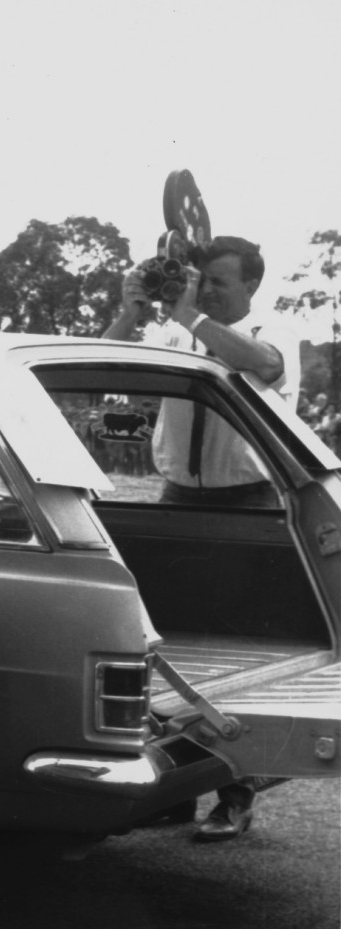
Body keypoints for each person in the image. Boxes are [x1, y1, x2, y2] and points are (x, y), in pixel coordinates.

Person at [104, 235, 302, 842]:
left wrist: (190, 313)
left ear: (251, 287)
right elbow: (106, 369)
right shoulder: (176, 332)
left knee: (231, 652)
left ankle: (235, 794)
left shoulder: (276, 330)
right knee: (164, 647)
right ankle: (171, 791)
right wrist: (132, 313)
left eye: (217, 281)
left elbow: (261, 364)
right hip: (177, 498)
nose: (205, 290)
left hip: (248, 503)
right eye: (199, 279)